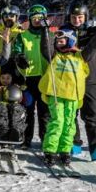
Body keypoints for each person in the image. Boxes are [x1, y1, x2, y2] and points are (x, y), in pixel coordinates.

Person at [62, 0, 96, 160]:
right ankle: (73, 142)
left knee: (92, 114)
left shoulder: (93, 31)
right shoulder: (63, 32)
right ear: (68, 17)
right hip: (69, 79)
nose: (77, 20)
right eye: (73, 17)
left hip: (89, 79)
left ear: (86, 17)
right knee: (70, 113)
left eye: (80, 17)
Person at [38, 29, 90, 168]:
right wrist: (45, 31)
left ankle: (65, 150)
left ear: (71, 41)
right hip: (56, 95)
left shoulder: (80, 56)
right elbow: (45, 47)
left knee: (69, 123)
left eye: (62, 41)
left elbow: (93, 48)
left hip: (72, 95)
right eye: (57, 42)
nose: (59, 44)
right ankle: (50, 150)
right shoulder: (54, 55)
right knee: (57, 121)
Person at [12, 4, 51, 149]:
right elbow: (17, 51)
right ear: (29, 19)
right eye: (34, 18)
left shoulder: (48, 35)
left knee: (44, 111)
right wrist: (19, 57)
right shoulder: (23, 35)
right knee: (28, 110)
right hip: (28, 78)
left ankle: (45, 139)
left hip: (45, 78)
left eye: (40, 18)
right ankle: (26, 139)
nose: (37, 21)